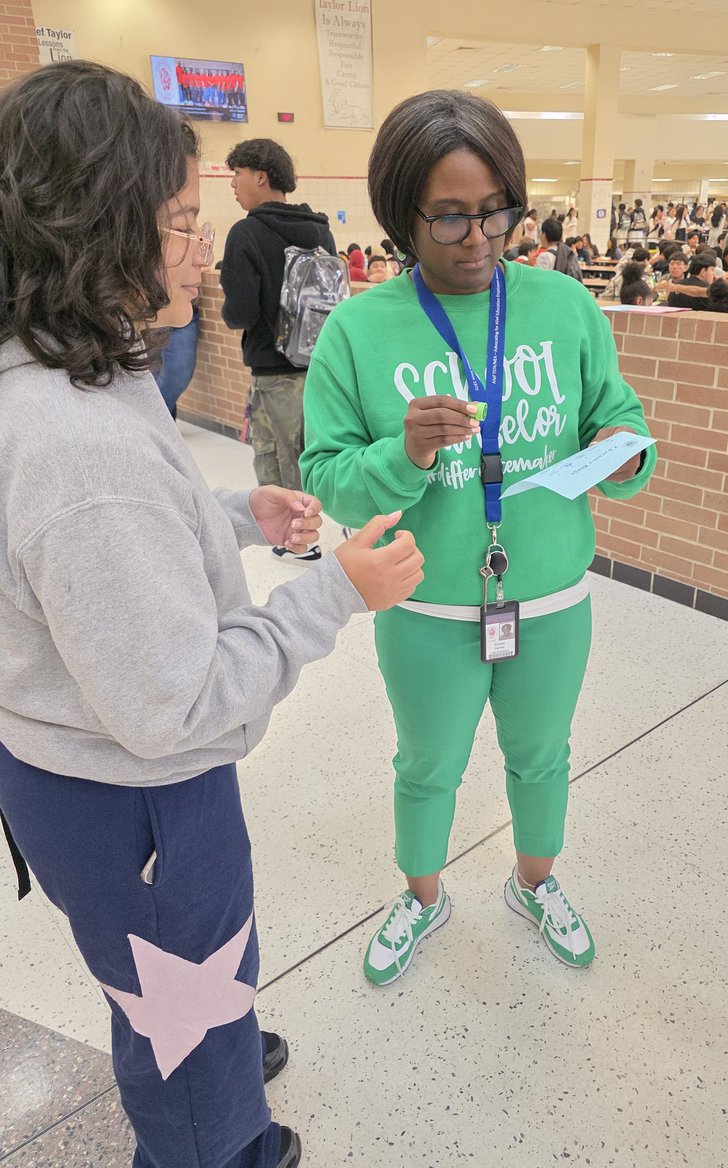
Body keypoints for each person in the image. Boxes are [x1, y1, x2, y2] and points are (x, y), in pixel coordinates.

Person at [0, 60, 424, 1168]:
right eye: (181, 225)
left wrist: (235, 514)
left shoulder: (67, 370)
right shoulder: (78, 449)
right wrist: (336, 590)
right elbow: (175, 702)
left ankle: (217, 1037)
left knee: (186, 979)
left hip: (78, 774)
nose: (200, 249)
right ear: (94, 236)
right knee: (175, 1026)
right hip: (136, 793)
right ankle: (214, 1157)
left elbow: (107, 556)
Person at [300, 88, 657, 987]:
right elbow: (328, 475)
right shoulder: (358, 330)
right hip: (424, 604)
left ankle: (535, 883)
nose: (480, 239)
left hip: (551, 596)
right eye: (450, 217)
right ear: (400, 216)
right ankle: (421, 896)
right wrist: (405, 453)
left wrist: (624, 454)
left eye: (497, 211)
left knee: (542, 756)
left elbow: (618, 417)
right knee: (428, 765)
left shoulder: (565, 308)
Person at [220, 137, 336, 563]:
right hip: (318, 365)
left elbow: (241, 312)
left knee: (274, 453)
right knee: (307, 451)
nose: (233, 184)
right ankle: (308, 532)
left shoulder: (246, 233)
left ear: (260, 176)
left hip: (272, 368)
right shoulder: (321, 229)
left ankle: (299, 538)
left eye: (237, 173)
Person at [152, 299, 200, 418]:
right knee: (152, 379)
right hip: (146, 315)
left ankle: (159, 426)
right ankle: (161, 427)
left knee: (177, 376)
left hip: (181, 310)